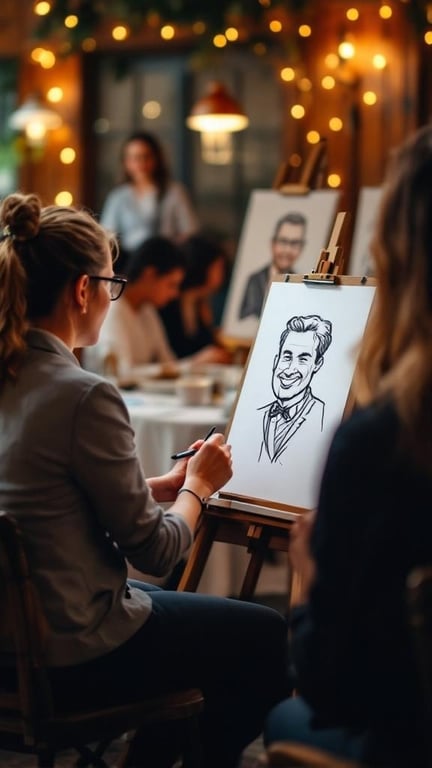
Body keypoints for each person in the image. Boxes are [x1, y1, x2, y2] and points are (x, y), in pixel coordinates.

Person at [0, 192, 291, 768]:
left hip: (14, 648)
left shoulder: (15, 376)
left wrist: (157, 487)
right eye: (112, 284)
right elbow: (158, 552)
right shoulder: (83, 393)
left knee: (183, 614)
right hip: (75, 658)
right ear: (83, 289)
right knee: (264, 635)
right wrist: (198, 489)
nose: (113, 298)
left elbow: (46, 502)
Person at [264, 123, 432, 768]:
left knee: (284, 710)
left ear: (394, 256)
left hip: (406, 743)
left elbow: (335, 687)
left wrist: (312, 575)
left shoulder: (382, 443)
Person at [83, 235, 185, 376]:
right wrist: (194, 364)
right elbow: (121, 374)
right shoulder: (114, 308)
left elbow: (167, 362)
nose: (174, 293)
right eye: (171, 285)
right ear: (149, 274)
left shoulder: (147, 310)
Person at [100, 131, 199, 262]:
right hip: (130, 262)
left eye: (146, 156)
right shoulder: (118, 196)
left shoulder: (174, 192)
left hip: (165, 260)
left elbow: (189, 231)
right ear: (126, 162)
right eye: (135, 158)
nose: (141, 163)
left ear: (156, 159)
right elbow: (107, 234)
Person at [258, 314, 332, 464]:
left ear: (317, 364)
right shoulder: (256, 415)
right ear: (276, 360)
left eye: (303, 359)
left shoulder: (326, 418)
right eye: (287, 356)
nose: (290, 369)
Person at [159, 233, 232, 363]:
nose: (222, 273)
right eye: (218, 267)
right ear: (203, 266)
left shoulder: (201, 303)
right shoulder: (166, 302)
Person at [239, 211, 307, 320]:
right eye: (283, 241)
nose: (288, 250)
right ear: (273, 243)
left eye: (295, 243)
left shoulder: (302, 285)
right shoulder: (255, 280)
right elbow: (245, 319)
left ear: (302, 248)